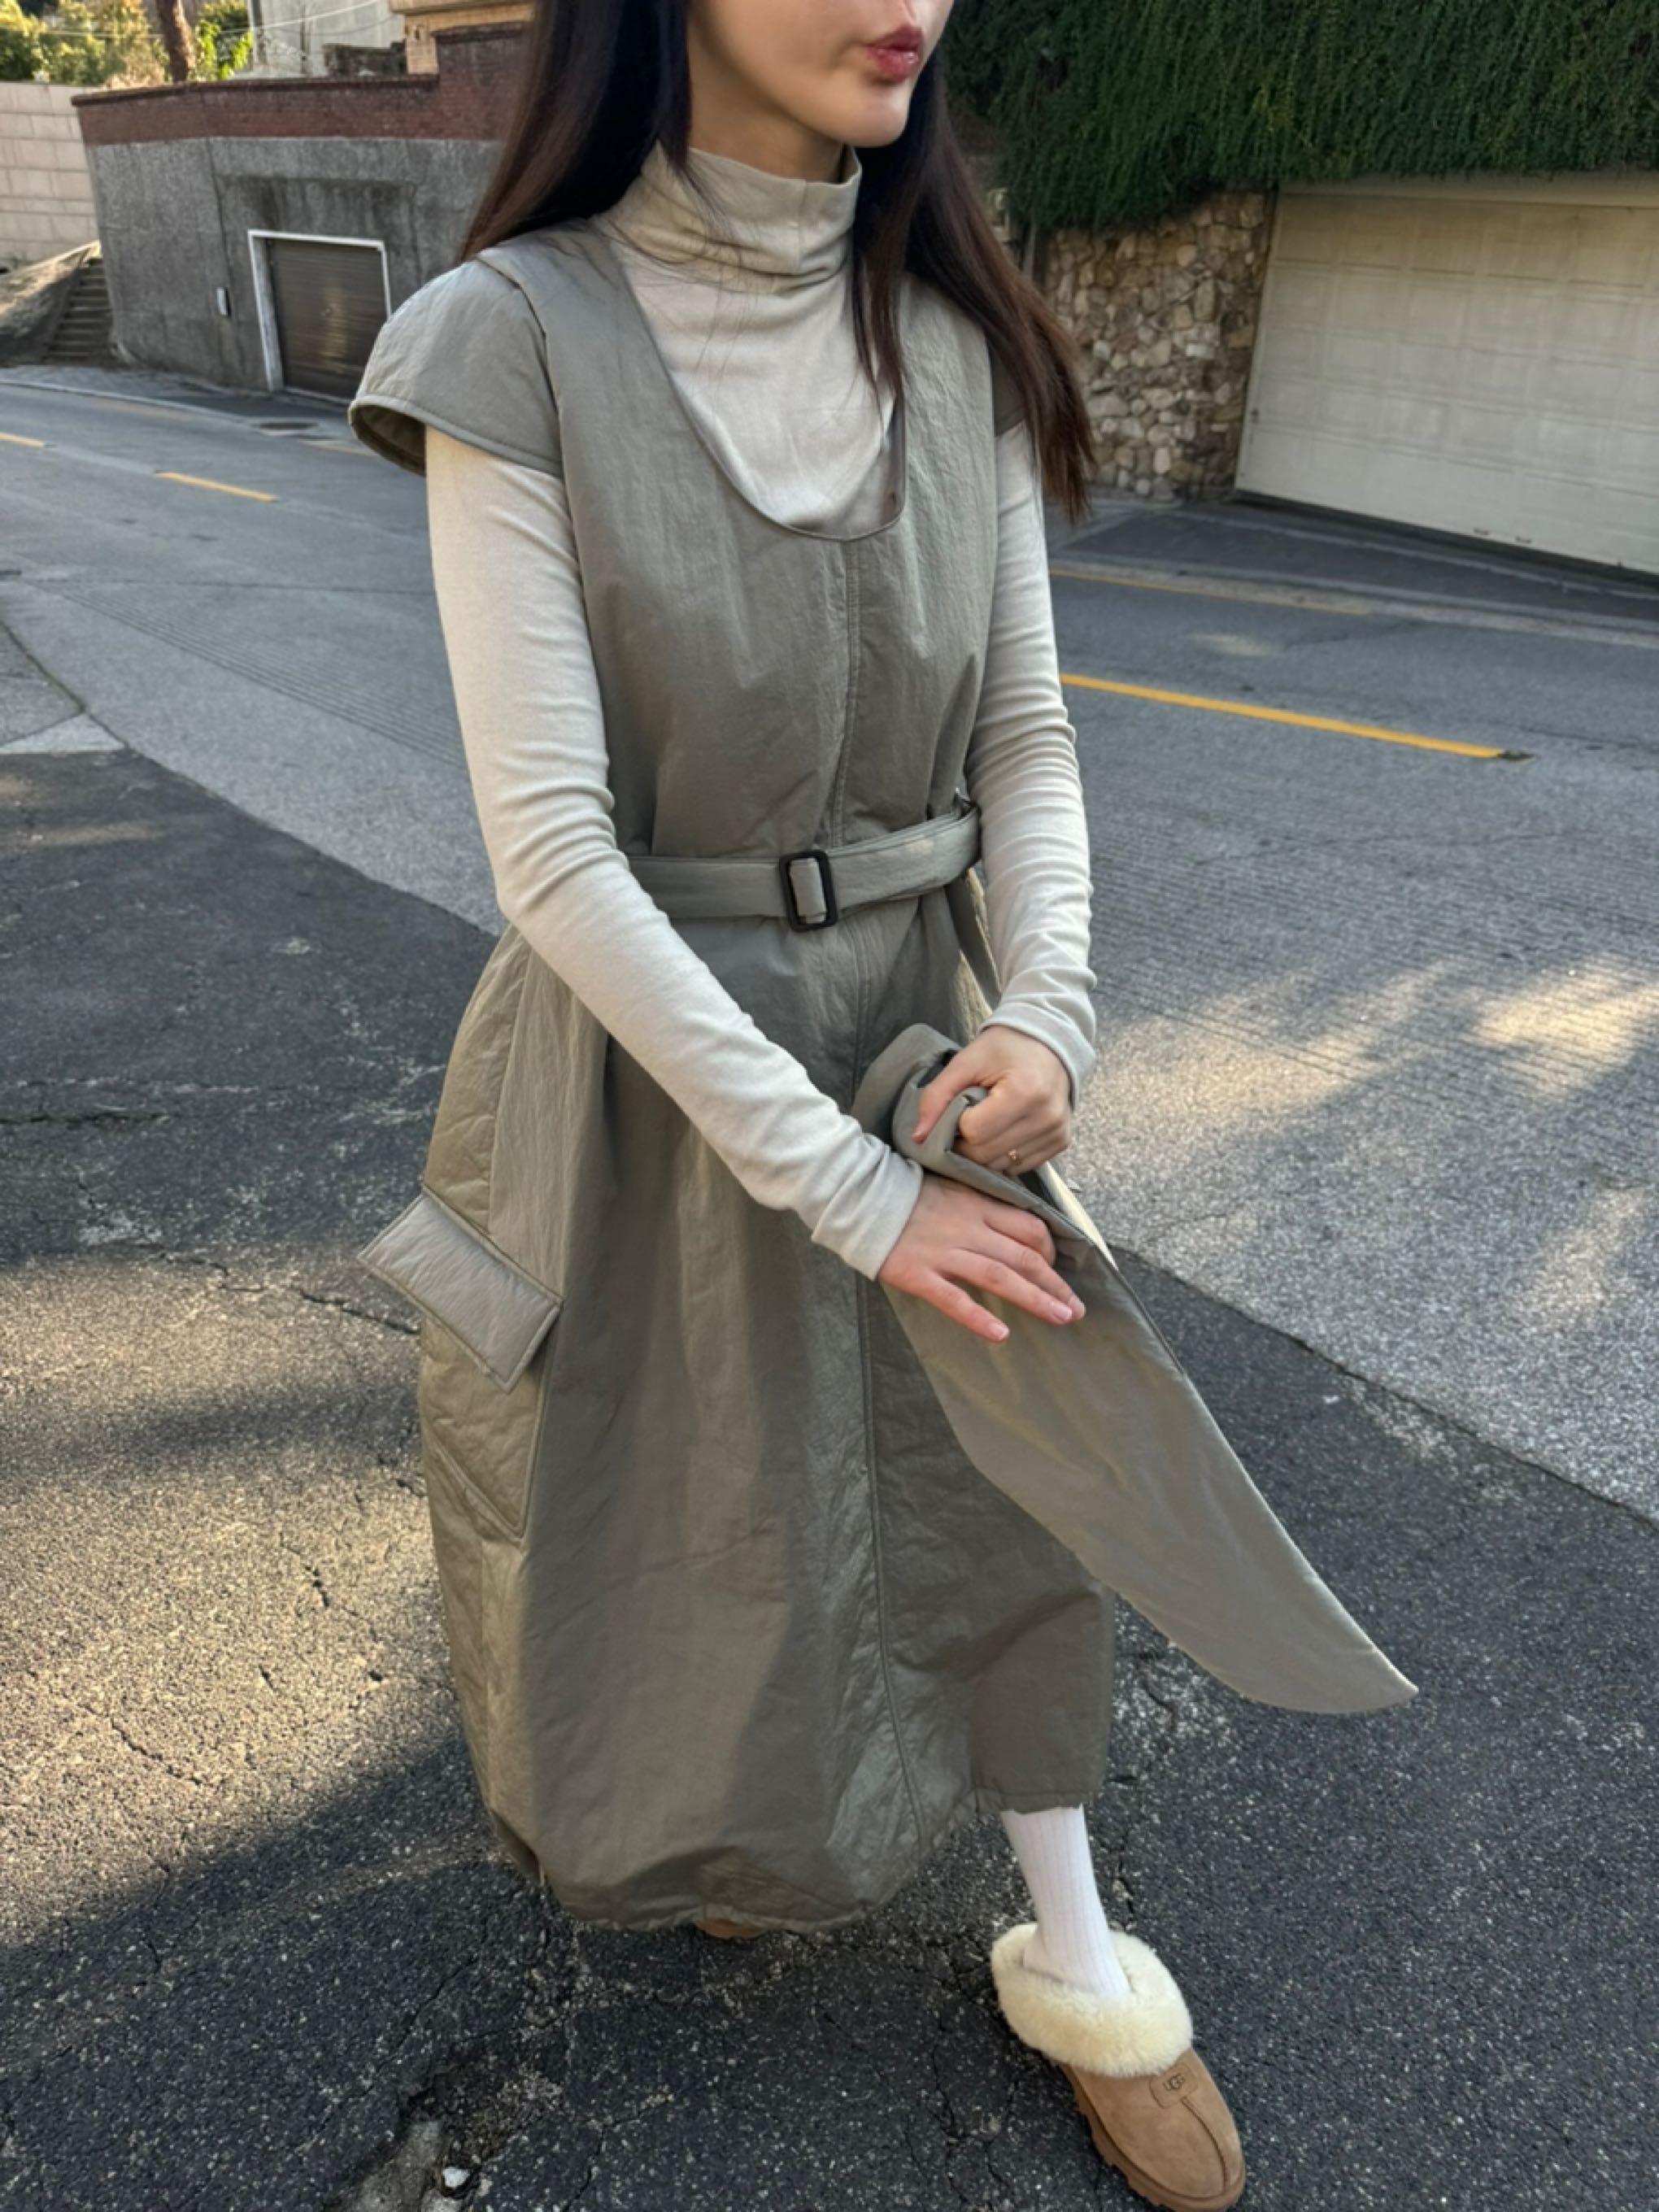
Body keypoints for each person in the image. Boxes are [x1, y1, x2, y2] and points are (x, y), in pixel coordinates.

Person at [346, 6, 1412, 2205]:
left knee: (1000, 1475)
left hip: (928, 1024)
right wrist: (845, 1189)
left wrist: (1064, 1011)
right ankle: (754, 1830)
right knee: (698, 1500)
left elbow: (1024, 730)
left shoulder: (951, 329)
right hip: (649, 1058)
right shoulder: (506, 340)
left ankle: (1083, 1955)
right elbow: (553, 854)